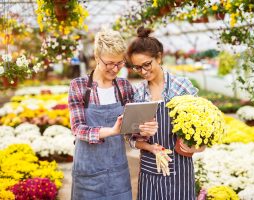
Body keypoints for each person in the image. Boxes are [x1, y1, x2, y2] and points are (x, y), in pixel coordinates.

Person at [68, 27, 158, 200]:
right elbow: (78, 129)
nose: (115, 69)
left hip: (117, 173)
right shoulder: (78, 86)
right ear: (96, 58)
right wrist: (112, 131)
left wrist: (144, 130)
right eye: (110, 63)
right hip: (88, 174)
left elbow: (132, 129)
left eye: (120, 63)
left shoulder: (124, 87)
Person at [126, 27, 206, 200]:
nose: (144, 72)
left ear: (159, 57)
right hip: (149, 169)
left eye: (147, 64)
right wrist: (144, 139)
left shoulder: (181, 87)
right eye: (138, 68)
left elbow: (202, 130)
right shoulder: (138, 93)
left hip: (179, 168)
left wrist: (197, 147)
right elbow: (131, 139)